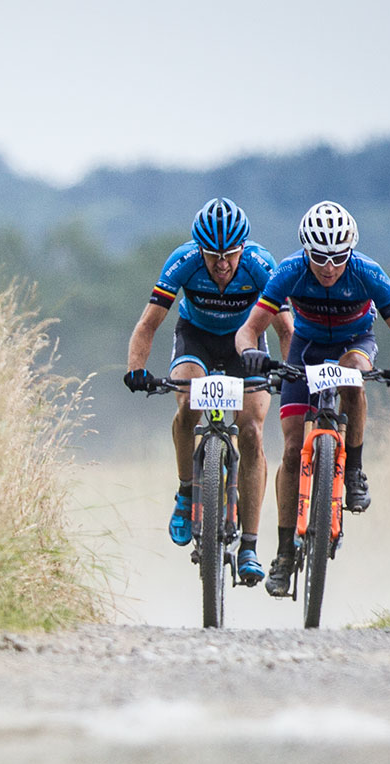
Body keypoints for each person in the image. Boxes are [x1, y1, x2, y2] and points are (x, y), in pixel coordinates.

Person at [231, 201, 390, 598]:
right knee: (289, 450)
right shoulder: (289, 271)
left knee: (354, 376)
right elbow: (248, 330)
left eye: (338, 257)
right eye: (319, 257)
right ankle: (285, 554)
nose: (329, 266)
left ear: (350, 251)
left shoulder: (368, 273)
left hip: (356, 342)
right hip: (306, 349)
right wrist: (249, 352)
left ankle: (353, 471)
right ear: (306, 251)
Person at [123, 197, 293, 587]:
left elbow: (286, 329)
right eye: (213, 255)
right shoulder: (183, 261)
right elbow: (148, 324)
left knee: (250, 430)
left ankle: (249, 545)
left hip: (244, 344)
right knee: (186, 403)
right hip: (196, 338)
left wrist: (287, 372)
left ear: (242, 249)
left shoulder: (260, 263)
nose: (221, 264)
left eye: (230, 254)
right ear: (199, 248)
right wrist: (136, 370)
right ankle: (186, 492)